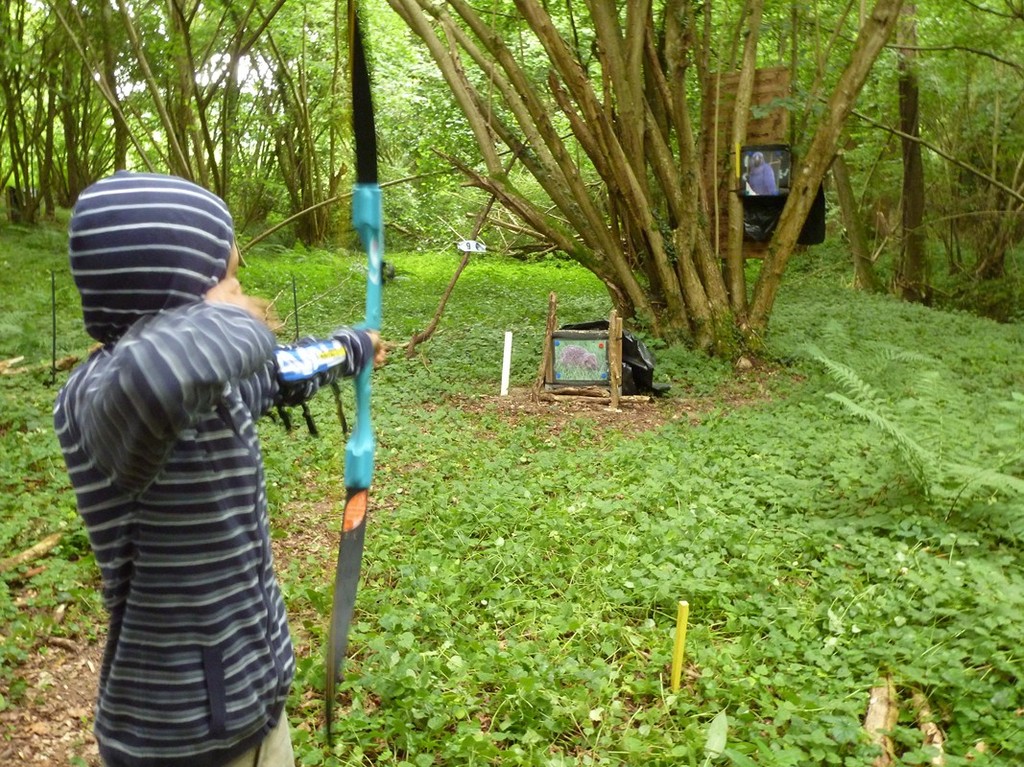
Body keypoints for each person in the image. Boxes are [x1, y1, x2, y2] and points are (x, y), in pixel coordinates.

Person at [53, 171, 383, 767]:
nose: (239, 286)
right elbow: (163, 376)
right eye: (226, 275)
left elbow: (280, 370)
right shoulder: (102, 398)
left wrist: (351, 347)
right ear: (175, 288)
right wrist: (232, 317)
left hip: (254, 706)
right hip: (179, 735)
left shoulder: (211, 382)